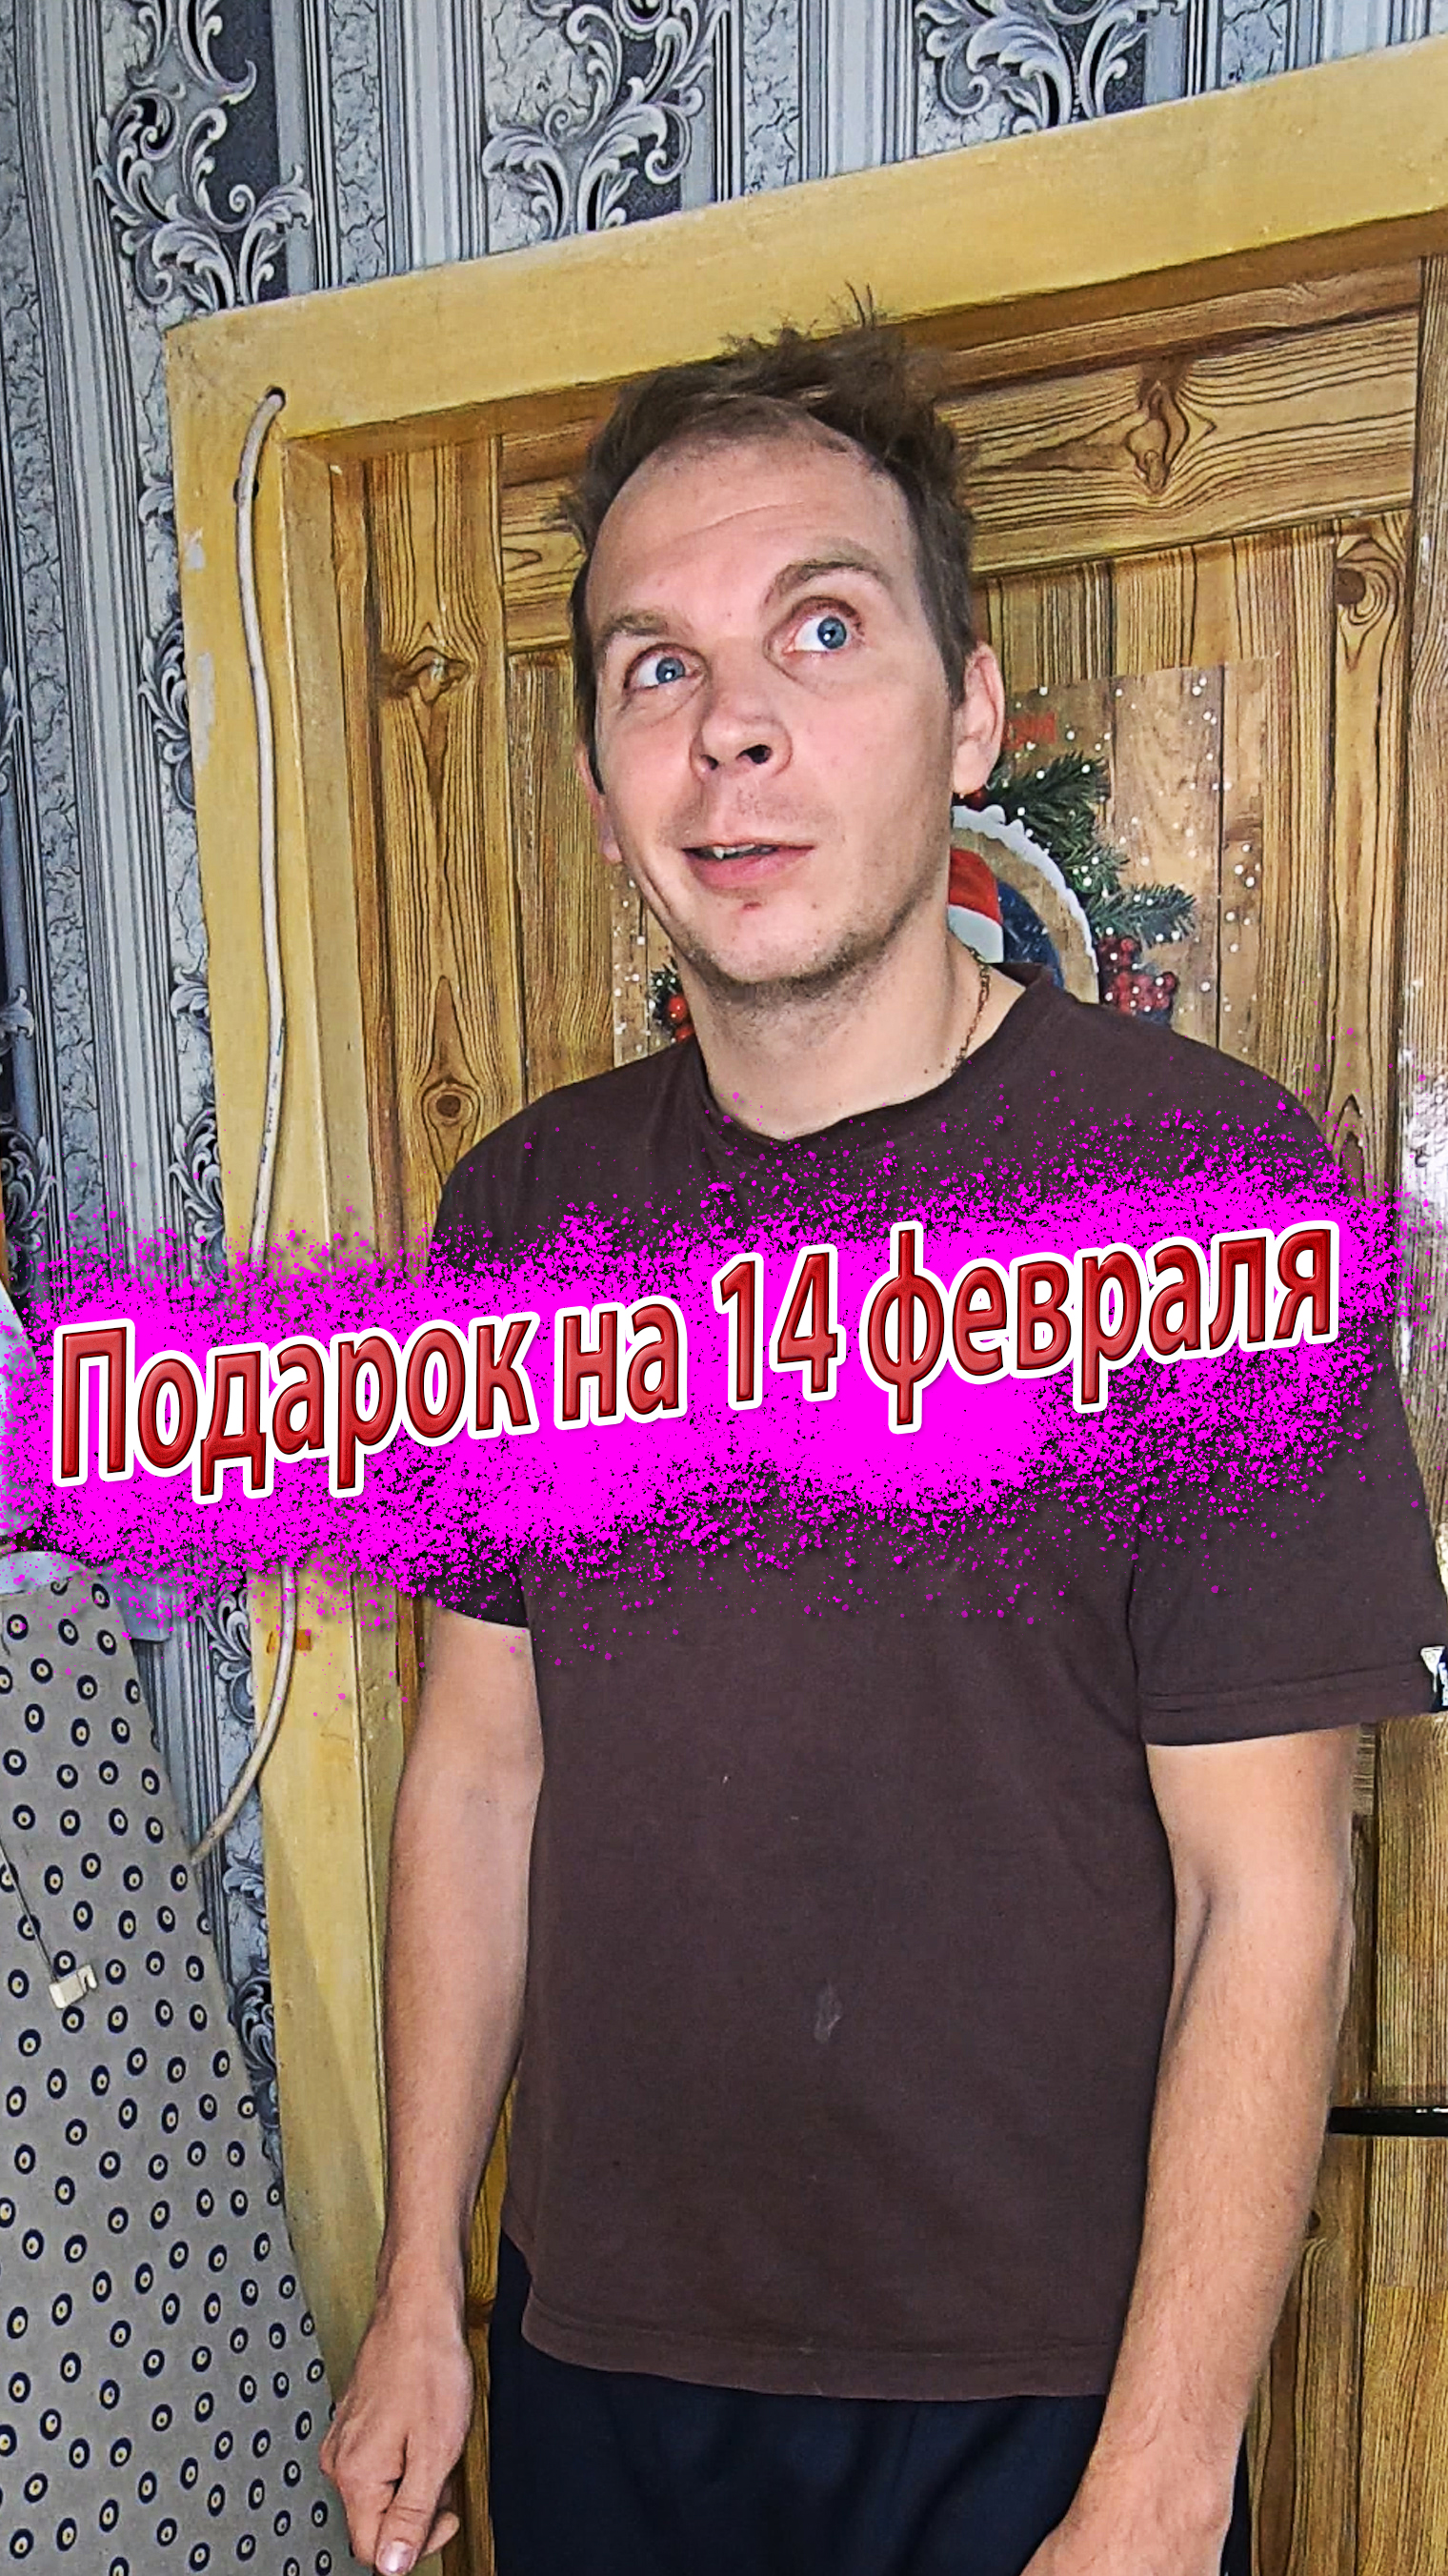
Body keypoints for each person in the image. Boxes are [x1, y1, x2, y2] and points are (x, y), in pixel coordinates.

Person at [320, 318, 1448, 2576]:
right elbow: (478, 1774)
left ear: (971, 713)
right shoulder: (522, 1213)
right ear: (601, 778)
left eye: (820, 630)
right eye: (655, 667)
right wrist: (422, 2284)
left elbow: (1268, 1888)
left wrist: (1160, 2480)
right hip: (603, 2362)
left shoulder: (1201, 1192)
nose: (731, 724)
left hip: (1041, 2402)